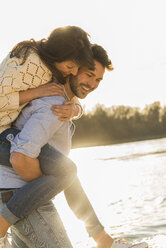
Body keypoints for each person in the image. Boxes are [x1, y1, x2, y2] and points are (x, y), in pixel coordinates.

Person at [0, 44, 148, 248]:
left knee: (68, 173)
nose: (93, 84)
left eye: (98, 79)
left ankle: (104, 240)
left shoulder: (65, 103)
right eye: (89, 75)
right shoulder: (55, 107)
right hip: (23, 200)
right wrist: (48, 185)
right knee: (68, 173)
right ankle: (104, 241)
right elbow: (19, 158)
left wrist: (78, 109)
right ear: (73, 69)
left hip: (17, 197)